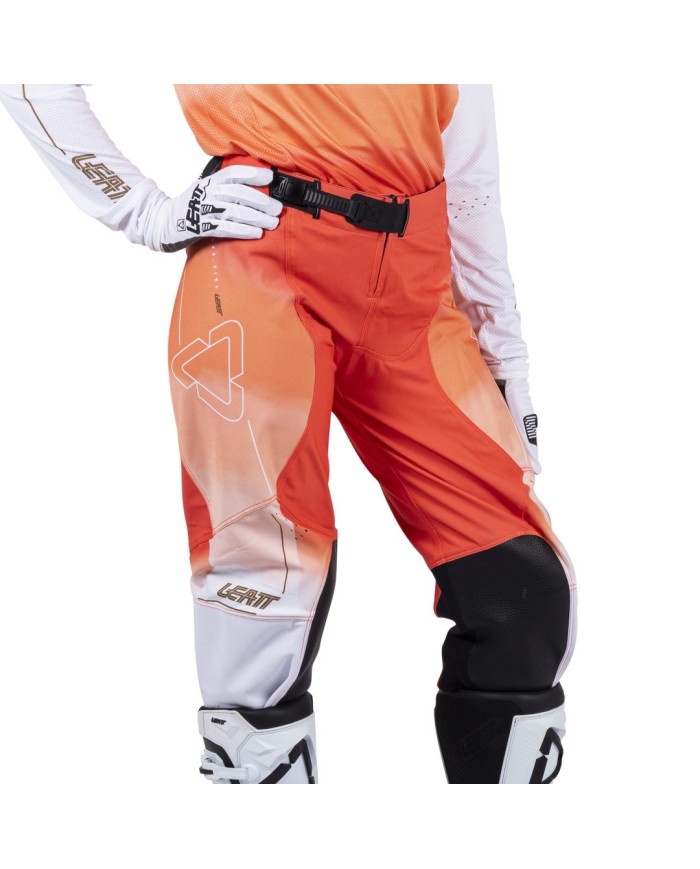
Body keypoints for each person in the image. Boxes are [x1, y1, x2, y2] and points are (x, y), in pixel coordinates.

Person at [0, 83, 577, 784]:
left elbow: (472, 185)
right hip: (263, 265)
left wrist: (506, 358)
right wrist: (144, 211)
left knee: (523, 586)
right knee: (266, 585)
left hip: (417, 290)